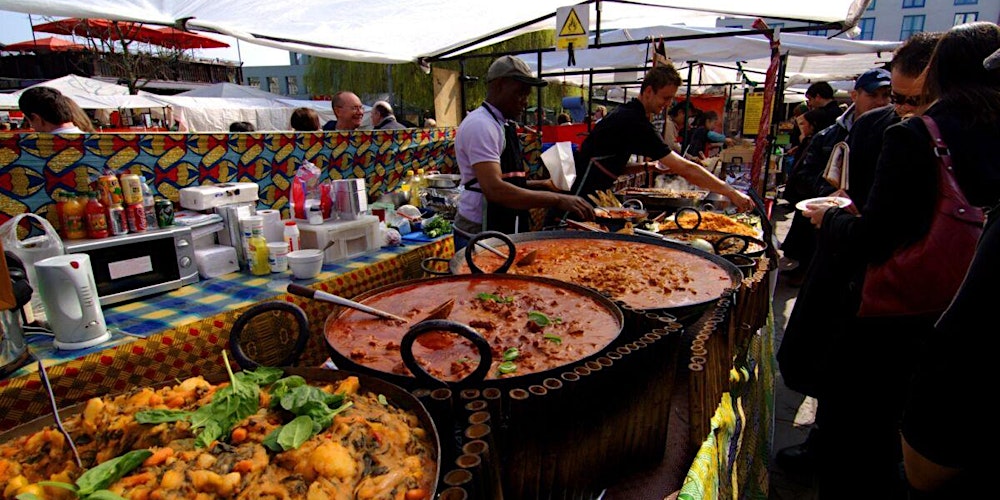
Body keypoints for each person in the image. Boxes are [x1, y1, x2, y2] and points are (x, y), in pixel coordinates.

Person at [802, 22, 1000, 498]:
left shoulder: (916, 134)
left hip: (897, 310)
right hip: (963, 303)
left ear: (938, 73)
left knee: (864, 427)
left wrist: (828, 221)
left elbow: (875, 237)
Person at [774, 33, 941, 475]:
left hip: (894, 287)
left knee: (870, 395)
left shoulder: (922, 136)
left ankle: (842, 456)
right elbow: (843, 193)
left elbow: (870, 227)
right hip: (872, 283)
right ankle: (829, 450)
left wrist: (833, 222)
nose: (902, 108)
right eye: (894, 97)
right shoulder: (879, 130)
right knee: (848, 383)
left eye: (910, 98)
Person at [571, 65, 753, 213]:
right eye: (665, 97)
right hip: (579, 200)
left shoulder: (629, 114)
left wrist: (646, 167)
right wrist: (731, 192)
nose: (668, 104)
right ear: (649, 91)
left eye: (671, 99)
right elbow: (686, 168)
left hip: (590, 198)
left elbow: (610, 164)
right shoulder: (633, 121)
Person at [454, 55, 593, 244]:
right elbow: (495, 189)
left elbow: (508, 181)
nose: (525, 101)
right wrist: (556, 199)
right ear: (500, 85)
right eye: (521, 92)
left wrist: (542, 184)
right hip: (480, 229)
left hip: (500, 223)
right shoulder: (481, 125)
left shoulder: (501, 123)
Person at [779, 68, 891, 284]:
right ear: (855, 96)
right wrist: (828, 194)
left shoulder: (895, 133)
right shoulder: (829, 134)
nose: (880, 102)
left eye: (886, 95)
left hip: (865, 232)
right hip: (825, 223)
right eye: (873, 95)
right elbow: (806, 174)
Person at [18, 86, 83, 133]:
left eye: (29, 121)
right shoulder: (91, 141)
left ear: (36, 118)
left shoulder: (36, 147)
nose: (32, 127)